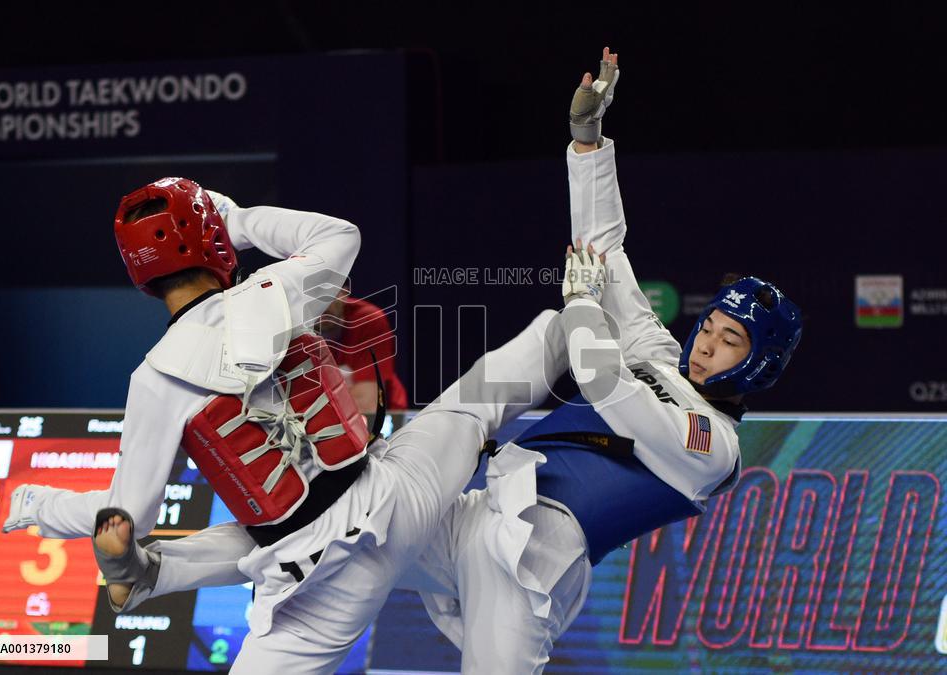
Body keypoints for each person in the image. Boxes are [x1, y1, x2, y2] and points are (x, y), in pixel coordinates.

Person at [88, 48, 803, 674]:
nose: (707, 342)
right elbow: (604, 252)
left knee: (569, 323)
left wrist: (585, 304)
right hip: (474, 510)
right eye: (711, 326)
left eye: (730, 341)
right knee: (325, 517)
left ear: (757, 366)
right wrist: (588, 144)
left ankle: (477, 407)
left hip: (531, 562)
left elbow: (609, 387)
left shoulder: (715, 447)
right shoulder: (659, 352)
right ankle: (153, 570)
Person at [3, 178, 571, 674]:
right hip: (398, 498)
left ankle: (144, 574)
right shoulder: (273, 291)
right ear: (209, 237)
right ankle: (579, 321)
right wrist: (238, 219)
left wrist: (40, 504)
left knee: (253, 539)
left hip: (318, 584)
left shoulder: (154, 380)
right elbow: (341, 234)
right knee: (477, 399)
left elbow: (130, 516)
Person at [317, 284, 409, 411]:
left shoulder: (369, 320)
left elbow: (368, 405)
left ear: (344, 292)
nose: (322, 304)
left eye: (328, 294)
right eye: (312, 295)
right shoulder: (292, 326)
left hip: (385, 415)